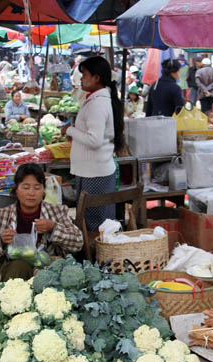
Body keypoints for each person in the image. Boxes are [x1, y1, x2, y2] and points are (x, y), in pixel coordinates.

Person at [0, 164, 83, 286]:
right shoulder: (1, 216)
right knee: (19, 266)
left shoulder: (56, 212)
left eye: (37, 188)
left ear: (43, 190)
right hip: (14, 275)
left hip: (47, 274)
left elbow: (78, 242)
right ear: (17, 190)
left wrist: (53, 228)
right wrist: (0, 241)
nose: (31, 193)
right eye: (26, 187)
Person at [61, 56, 124, 231]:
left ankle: (98, 249)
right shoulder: (96, 100)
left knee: (96, 225)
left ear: (96, 78)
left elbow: (94, 140)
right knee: (93, 222)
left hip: (96, 173)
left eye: (84, 75)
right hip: (91, 171)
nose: (81, 79)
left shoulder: (98, 104)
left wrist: (70, 130)